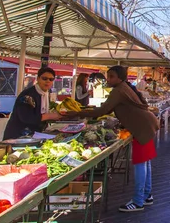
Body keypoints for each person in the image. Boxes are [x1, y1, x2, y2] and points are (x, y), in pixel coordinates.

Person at [65, 66, 159, 212]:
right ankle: (146, 195)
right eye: (108, 76)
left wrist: (77, 112)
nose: (108, 79)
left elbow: (104, 110)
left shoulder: (119, 90)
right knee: (145, 163)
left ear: (120, 78)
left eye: (111, 77)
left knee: (141, 163)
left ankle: (138, 201)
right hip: (146, 125)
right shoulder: (125, 88)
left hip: (142, 128)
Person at [3, 67, 62, 140]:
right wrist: (49, 116)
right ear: (38, 78)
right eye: (44, 78)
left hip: (34, 135)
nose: (48, 81)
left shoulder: (46, 93)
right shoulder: (28, 96)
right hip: (17, 137)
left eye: (51, 79)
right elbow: (26, 118)